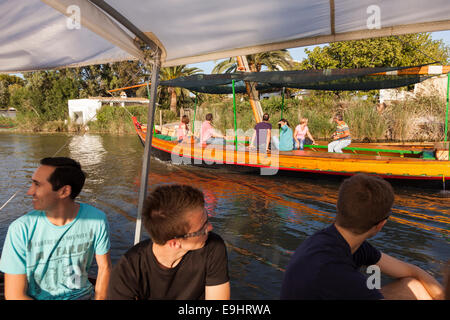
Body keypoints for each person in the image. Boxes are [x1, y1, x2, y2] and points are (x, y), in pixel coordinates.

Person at [280, 173, 444, 300]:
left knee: (414, 286)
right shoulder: (337, 273)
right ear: (380, 225)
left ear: (338, 206)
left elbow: (413, 271)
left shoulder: (341, 241)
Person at [0, 157, 111, 300]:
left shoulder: (97, 220)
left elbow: (105, 268)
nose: (30, 191)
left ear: (64, 191)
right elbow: (15, 295)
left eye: (37, 185)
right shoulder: (20, 230)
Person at [108, 184, 230, 300]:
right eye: (203, 228)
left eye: (207, 219)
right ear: (174, 243)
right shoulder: (127, 272)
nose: (210, 228)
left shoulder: (213, 247)